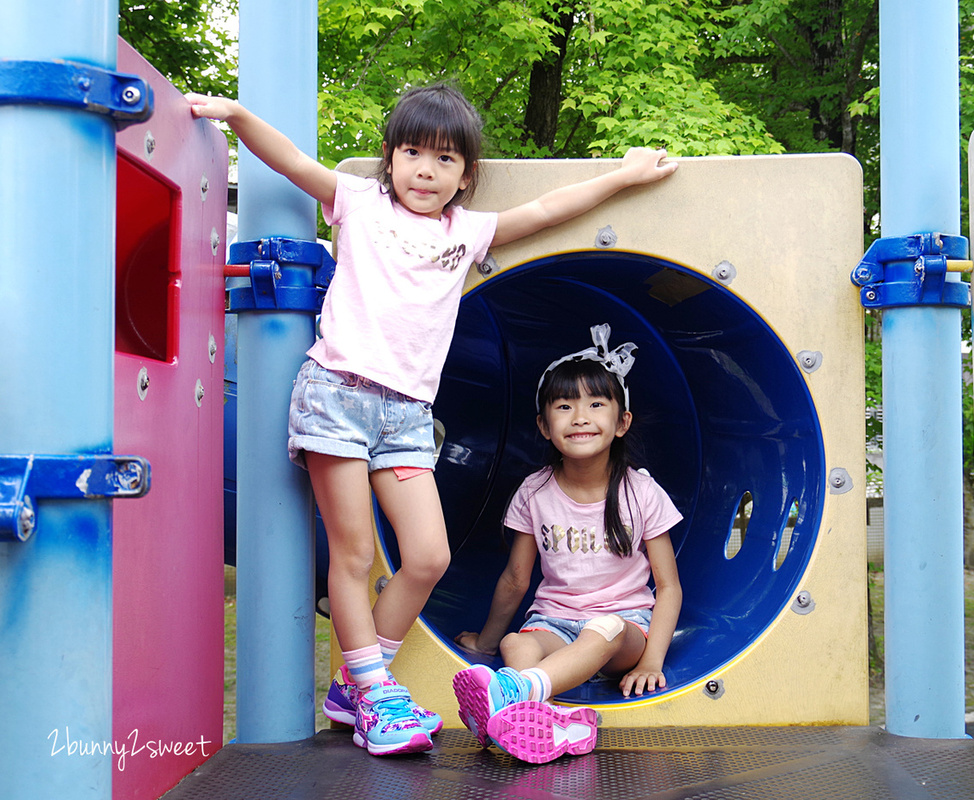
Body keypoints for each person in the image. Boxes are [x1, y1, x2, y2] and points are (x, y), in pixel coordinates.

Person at [186, 85, 678, 757]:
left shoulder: (466, 233)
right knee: (356, 553)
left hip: (408, 414)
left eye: (444, 159)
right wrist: (239, 116)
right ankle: (374, 692)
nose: (425, 169)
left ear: (465, 177)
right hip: (337, 394)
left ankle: (354, 687)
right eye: (412, 153)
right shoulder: (357, 204)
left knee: (428, 555)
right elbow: (296, 161)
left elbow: (544, 209)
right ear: (388, 160)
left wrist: (622, 176)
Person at [453, 324, 683, 764]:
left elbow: (668, 586)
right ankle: (555, 724)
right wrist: (486, 641)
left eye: (597, 404)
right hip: (555, 622)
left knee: (605, 628)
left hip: (624, 628)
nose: (580, 416)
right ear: (543, 425)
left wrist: (652, 661)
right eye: (564, 406)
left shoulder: (641, 492)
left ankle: (518, 694)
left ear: (622, 422)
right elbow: (517, 578)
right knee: (514, 646)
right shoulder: (534, 491)